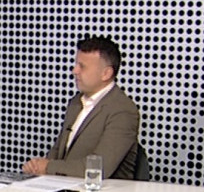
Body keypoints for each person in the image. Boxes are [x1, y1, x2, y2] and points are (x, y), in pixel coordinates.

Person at [22, 36, 139, 179]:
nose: (74, 71)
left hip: (101, 191)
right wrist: (37, 167)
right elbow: (57, 151)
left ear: (106, 73)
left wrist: (48, 167)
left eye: (82, 66)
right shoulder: (76, 102)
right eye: (76, 64)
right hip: (63, 185)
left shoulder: (122, 111)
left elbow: (98, 168)